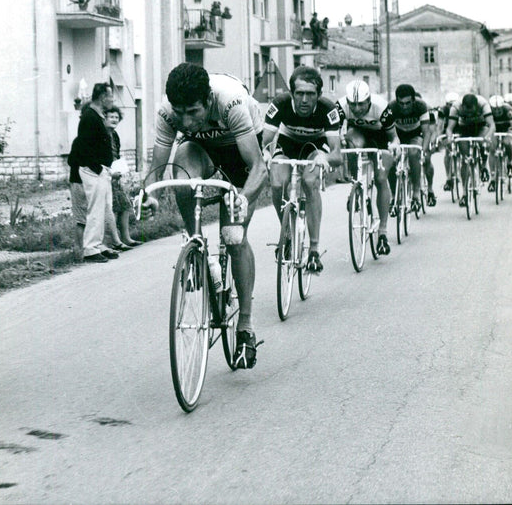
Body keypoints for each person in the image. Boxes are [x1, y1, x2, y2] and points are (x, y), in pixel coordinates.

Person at [137, 63, 266, 369]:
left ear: (208, 99)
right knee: (182, 173)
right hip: (202, 149)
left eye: (193, 111)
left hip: (239, 151)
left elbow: (258, 167)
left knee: (234, 237)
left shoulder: (230, 102)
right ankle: (197, 247)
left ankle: (245, 326)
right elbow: (158, 166)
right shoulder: (168, 112)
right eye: (180, 113)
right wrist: (148, 194)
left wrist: (243, 200)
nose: (186, 120)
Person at [262, 66, 343, 273]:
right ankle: (287, 233)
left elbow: (337, 154)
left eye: (310, 94)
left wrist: (325, 158)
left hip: (315, 146)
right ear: (291, 94)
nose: (305, 100)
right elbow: (265, 143)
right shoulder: (279, 104)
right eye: (299, 93)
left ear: (319, 95)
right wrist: (266, 154)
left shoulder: (329, 109)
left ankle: (314, 250)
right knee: (277, 181)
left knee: (310, 181)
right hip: (288, 142)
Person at [337, 79, 399, 256]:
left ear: (369, 100)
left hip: (381, 137)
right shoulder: (340, 106)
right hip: (359, 134)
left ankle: (383, 232)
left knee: (381, 178)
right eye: (353, 105)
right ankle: (356, 183)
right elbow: (332, 132)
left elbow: (394, 138)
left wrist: (394, 146)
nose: (356, 109)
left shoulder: (381, 107)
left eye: (361, 104)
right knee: (351, 142)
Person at [75, 83, 120, 263]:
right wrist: (98, 167)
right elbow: (84, 146)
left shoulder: (97, 116)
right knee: (95, 209)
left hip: (101, 170)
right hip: (93, 170)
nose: (112, 100)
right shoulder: (89, 117)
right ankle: (90, 248)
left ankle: (98, 244)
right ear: (102, 97)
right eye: (110, 97)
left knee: (102, 208)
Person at [387, 84, 433, 212]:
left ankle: (416, 194)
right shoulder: (391, 107)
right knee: (390, 160)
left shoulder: (421, 106)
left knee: (414, 153)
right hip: (398, 135)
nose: (404, 106)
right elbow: (387, 131)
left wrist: (423, 151)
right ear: (397, 101)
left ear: (413, 100)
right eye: (401, 103)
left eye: (408, 103)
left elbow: (426, 132)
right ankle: (393, 196)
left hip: (415, 134)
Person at [444, 93, 494, 208]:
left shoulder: (483, 104)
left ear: (476, 106)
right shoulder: (456, 107)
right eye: (468, 111)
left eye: (472, 111)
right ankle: (465, 193)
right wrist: (450, 137)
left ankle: (483, 166)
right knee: (465, 160)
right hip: (464, 128)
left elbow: (492, 125)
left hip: (480, 126)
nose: (470, 113)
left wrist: (488, 137)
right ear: (463, 107)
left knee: (482, 142)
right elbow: (449, 128)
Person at [104, 106, 142, 247]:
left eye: (116, 117)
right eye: (111, 117)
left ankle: (126, 238)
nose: (114, 120)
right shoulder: (101, 134)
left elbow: (116, 155)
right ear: (105, 118)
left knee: (125, 205)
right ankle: (114, 241)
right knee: (112, 208)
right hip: (105, 174)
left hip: (116, 175)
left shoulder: (114, 135)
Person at [487, 95, 512, 188]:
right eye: (494, 109)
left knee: (509, 143)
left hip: (507, 129)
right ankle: (493, 177)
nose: (497, 111)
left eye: (499, 109)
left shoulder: (508, 110)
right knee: (492, 149)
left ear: (503, 107)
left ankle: (511, 163)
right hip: (494, 131)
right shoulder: (487, 111)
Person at [436, 91, 460, 192]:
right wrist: (439, 137)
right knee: (448, 151)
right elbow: (440, 125)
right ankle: (448, 177)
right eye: (449, 105)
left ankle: (459, 169)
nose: (451, 107)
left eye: (453, 104)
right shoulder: (443, 110)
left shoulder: (460, 108)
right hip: (447, 129)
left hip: (459, 128)